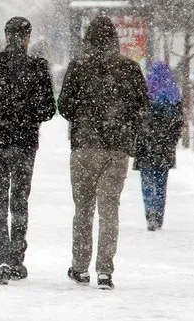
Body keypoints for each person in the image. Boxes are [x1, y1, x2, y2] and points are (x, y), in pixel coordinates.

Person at [58, 16, 150, 290]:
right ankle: (105, 271)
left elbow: (63, 105)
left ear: (88, 39)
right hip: (117, 149)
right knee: (110, 210)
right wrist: (125, 126)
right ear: (115, 39)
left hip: (85, 147)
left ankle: (80, 267)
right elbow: (143, 109)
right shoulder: (129, 68)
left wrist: (84, 115)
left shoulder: (78, 66)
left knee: (83, 209)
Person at [0, 16, 56, 284]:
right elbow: (47, 110)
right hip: (23, 144)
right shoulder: (37, 67)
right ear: (27, 37)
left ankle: (1, 258)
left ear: (6, 35)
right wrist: (27, 114)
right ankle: (17, 258)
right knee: (19, 202)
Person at [133, 62, 183, 231]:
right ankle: (158, 215)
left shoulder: (146, 92)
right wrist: (171, 141)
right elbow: (178, 123)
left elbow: (137, 119)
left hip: (146, 146)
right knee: (161, 183)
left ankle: (150, 214)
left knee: (147, 182)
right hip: (164, 147)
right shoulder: (174, 95)